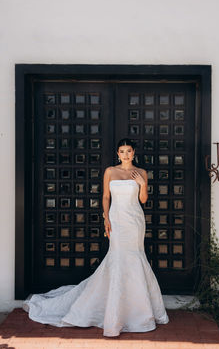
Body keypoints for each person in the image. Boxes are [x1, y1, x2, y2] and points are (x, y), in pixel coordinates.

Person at [22, 137, 169, 337]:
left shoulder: (141, 172)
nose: (125, 154)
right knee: (117, 257)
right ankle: (113, 309)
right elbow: (106, 196)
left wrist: (142, 184)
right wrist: (106, 218)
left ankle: (137, 312)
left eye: (128, 151)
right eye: (122, 151)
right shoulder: (110, 171)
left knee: (135, 257)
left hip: (134, 221)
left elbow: (143, 200)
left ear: (134, 152)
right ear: (117, 153)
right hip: (117, 219)